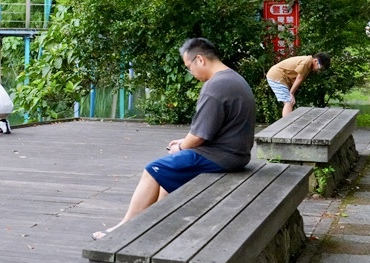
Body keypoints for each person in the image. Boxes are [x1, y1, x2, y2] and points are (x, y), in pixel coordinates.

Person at [92, 38, 255, 240]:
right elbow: (208, 130)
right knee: (169, 170)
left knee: (154, 170)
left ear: (200, 60)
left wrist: (182, 146)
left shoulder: (216, 87)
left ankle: (124, 229)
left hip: (221, 157)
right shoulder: (232, 78)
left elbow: (197, 137)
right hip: (235, 153)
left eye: (189, 67)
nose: (191, 73)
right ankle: (156, 219)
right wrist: (183, 143)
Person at [266, 52, 331, 117]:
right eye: (320, 68)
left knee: (289, 102)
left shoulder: (308, 62)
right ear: (315, 61)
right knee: (288, 101)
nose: (318, 70)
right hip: (276, 75)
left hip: (280, 77)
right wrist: (291, 93)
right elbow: (299, 78)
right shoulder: (307, 62)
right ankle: (287, 125)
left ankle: (288, 123)